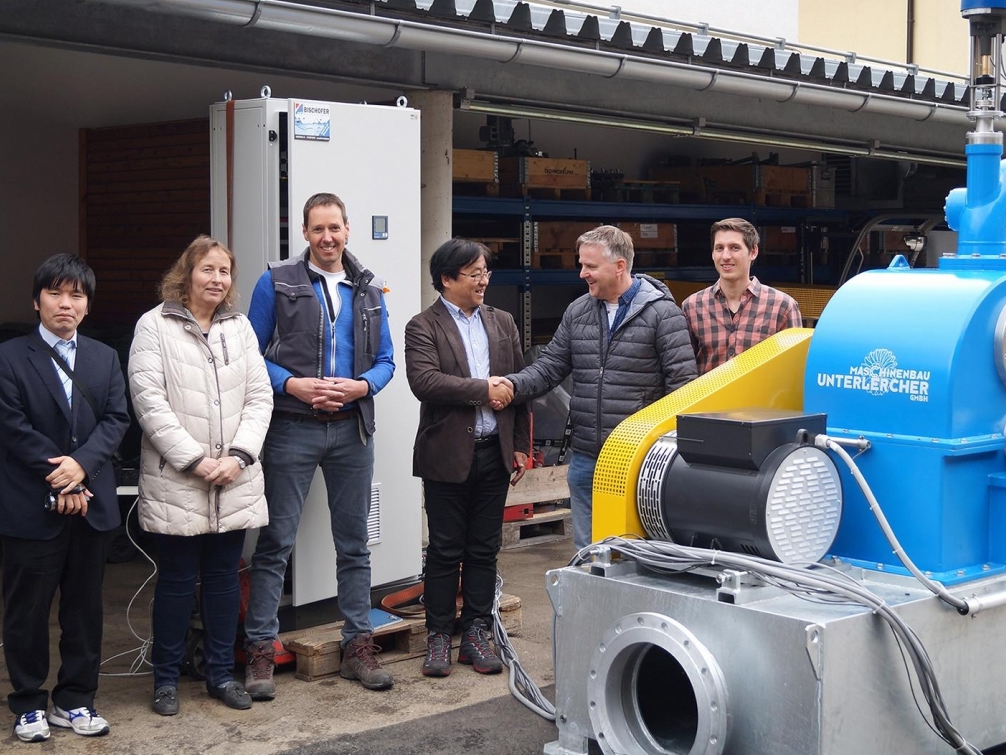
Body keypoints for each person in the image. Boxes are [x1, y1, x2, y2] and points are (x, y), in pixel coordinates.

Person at [242, 192, 397, 697]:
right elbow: (249, 353)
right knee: (275, 544)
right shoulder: (277, 282)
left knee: (354, 545)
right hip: (292, 427)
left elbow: (387, 362)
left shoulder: (369, 290)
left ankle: (358, 647)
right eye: (317, 230)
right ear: (304, 235)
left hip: (352, 429)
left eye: (335, 228)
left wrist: (362, 386)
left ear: (347, 229)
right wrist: (291, 384)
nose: (327, 238)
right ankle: (260, 654)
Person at [0, 253, 130, 742]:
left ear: (87, 306)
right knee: (26, 611)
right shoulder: (5, 358)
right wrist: (64, 477)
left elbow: (116, 420)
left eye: (77, 295)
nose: (65, 304)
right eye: (55, 293)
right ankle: (28, 703)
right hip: (29, 503)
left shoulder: (104, 357)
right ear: (36, 300)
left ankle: (75, 700)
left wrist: (81, 468)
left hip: (91, 506)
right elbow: (13, 430)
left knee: (85, 609)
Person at [127, 236, 273, 716]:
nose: (217, 279)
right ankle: (165, 680)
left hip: (233, 478)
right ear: (186, 274)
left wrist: (240, 455)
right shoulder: (154, 326)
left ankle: (219, 675)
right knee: (175, 581)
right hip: (179, 479)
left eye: (225, 272)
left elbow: (259, 397)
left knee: (223, 580)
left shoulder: (241, 328)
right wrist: (194, 459)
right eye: (207, 270)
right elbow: (149, 401)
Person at [498, 225, 696, 551]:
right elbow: (550, 368)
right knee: (588, 552)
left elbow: (682, 388)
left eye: (590, 266)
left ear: (619, 266)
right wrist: (510, 385)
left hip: (637, 459)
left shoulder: (663, 314)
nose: (582, 274)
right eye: (581, 264)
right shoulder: (579, 312)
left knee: (635, 552)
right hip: (587, 457)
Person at [404, 239, 531, 678]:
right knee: (444, 549)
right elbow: (426, 381)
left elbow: (521, 384)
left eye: (485, 273)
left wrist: (520, 445)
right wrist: (484, 390)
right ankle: (439, 634)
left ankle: (476, 631)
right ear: (447, 279)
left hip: (494, 453)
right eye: (474, 274)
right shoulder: (423, 326)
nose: (483, 281)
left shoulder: (502, 322)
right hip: (447, 455)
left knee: (484, 548)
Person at [682, 218, 803, 374]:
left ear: (753, 252)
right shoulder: (692, 307)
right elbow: (683, 371)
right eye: (719, 248)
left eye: (734, 248)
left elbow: (794, 369)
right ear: (712, 253)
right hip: (711, 399)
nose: (725, 256)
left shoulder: (782, 307)